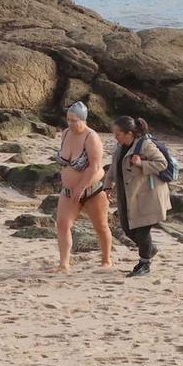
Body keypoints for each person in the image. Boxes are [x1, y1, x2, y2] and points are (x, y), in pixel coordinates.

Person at [51, 102, 113, 273]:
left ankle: (106, 260)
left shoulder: (91, 137)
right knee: (62, 224)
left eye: (74, 120)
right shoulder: (65, 134)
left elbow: (94, 166)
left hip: (92, 190)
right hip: (69, 191)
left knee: (100, 226)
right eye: (68, 120)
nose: (71, 124)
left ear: (83, 119)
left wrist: (82, 186)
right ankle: (64, 263)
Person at [109, 116, 171, 278]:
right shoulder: (120, 146)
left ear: (129, 133)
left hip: (147, 195)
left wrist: (141, 164)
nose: (115, 137)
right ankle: (149, 249)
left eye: (118, 134)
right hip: (126, 194)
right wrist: (107, 185)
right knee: (127, 228)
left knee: (142, 231)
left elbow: (162, 163)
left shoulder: (145, 145)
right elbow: (113, 166)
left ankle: (144, 264)